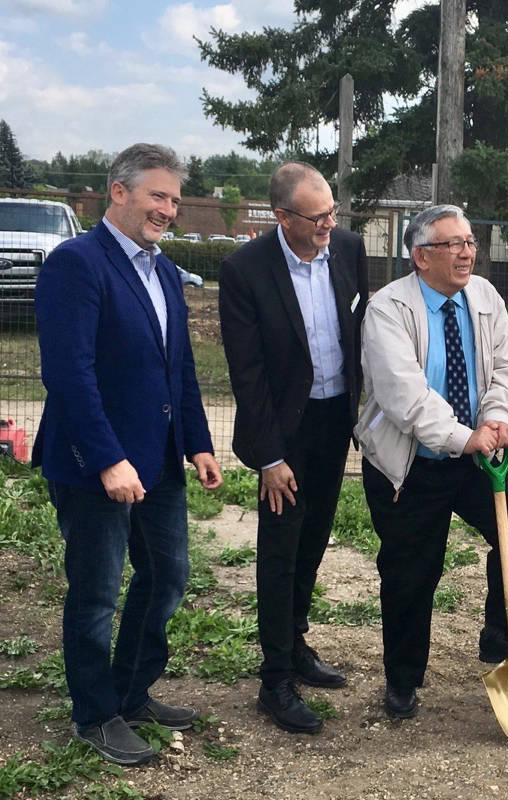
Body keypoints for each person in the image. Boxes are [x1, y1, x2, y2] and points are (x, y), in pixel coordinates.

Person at [32, 143, 223, 766]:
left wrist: (197, 442)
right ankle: (95, 713)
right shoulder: (76, 264)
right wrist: (107, 459)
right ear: (119, 192)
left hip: (161, 461)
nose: (167, 209)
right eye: (156, 196)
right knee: (95, 594)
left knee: (166, 576)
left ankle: (132, 690)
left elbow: (180, 370)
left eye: (173, 198)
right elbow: (68, 374)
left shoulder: (164, 271)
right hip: (96, 466)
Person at [355, 204, 508, 719]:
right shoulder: (387, 310)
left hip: (470, 457)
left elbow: (505, 367)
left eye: (469, 241)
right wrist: (468, 436)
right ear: (421, 256)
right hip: (410, 465)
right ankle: (402, 680)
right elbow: (406, 397)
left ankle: (499, 635)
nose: (467, 252)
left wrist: (497, 416)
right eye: (453, 244)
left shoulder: (483, 296)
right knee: (412, 573)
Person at [219, 162, 368, 734]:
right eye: (317, 216)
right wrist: (270, 457)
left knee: (314, 537)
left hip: (334, 421)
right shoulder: (245, 270)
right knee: (280, 547)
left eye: (333, 211)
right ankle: (274, 677)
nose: (330, 223)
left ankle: (296, 640)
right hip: (284, 431)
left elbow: (360, 335)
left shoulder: (348, 250)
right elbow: (247, 374)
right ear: (282, 217)